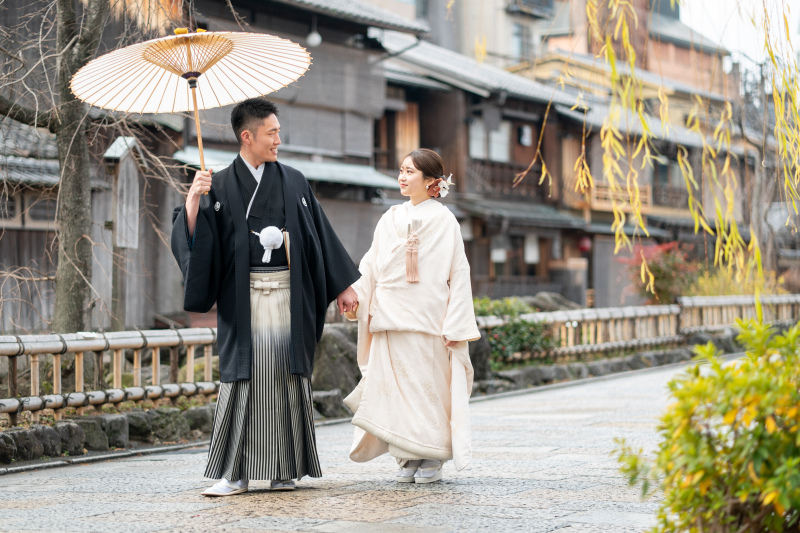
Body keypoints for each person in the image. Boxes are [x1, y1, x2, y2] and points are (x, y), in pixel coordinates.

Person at [171, 98, 360, 496]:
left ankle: (282, 469)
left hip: (290, 298)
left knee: (286, 378)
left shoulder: (293, 179)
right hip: (244, 299)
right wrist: (193, 200)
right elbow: (197, 242)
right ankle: (234, 474)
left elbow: (319, 234)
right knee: (243, 378)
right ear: (248, 136)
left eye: (278, 131)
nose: (278, 139)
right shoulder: (217, 184)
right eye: (271, 132)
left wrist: (343, 284)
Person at [343, 149, 480, 484]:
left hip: (429, 317)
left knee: (427, 388)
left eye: (410, 172)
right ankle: (407, 454)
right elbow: (370, 265)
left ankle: (432, 454)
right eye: (401, 170)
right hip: (389, 314)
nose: (403, 177)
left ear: (432, 181)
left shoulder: (445, 220)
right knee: (396, 390)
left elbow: (459, 273)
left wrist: (457, 322)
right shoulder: (389, 216)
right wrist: (356, 295)